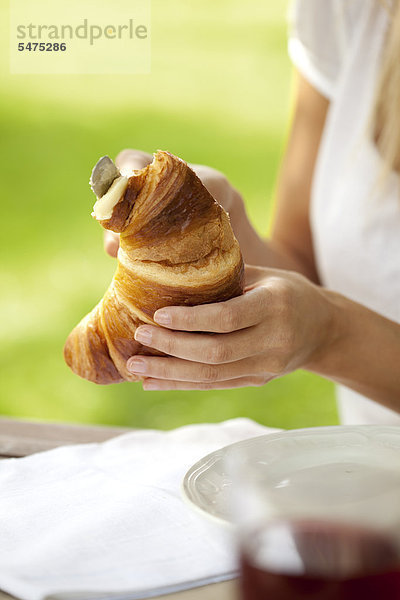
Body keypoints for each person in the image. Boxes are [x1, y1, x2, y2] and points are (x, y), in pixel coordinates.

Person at [104, 0, 400, 424]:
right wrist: (220, 229)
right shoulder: (347, 11)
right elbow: (302, 267)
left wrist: (333, 335)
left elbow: (324, 313)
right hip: (364, 475)